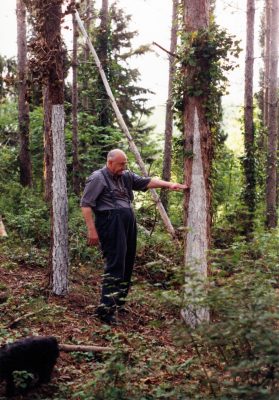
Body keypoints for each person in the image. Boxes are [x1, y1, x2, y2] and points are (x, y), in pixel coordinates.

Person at [81, 149, 188, 324]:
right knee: (115, 263)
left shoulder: (125, 176)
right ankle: (105, 310)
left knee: (128, 261)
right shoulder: (97, 178)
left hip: (127, 221)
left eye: (125, 164)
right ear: (110, 162)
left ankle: (118, 302)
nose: (124, 167)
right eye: (121, 164)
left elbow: (147, 181)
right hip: (110, 222)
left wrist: (169, 185)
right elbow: (86, 205)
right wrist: (92, 230)